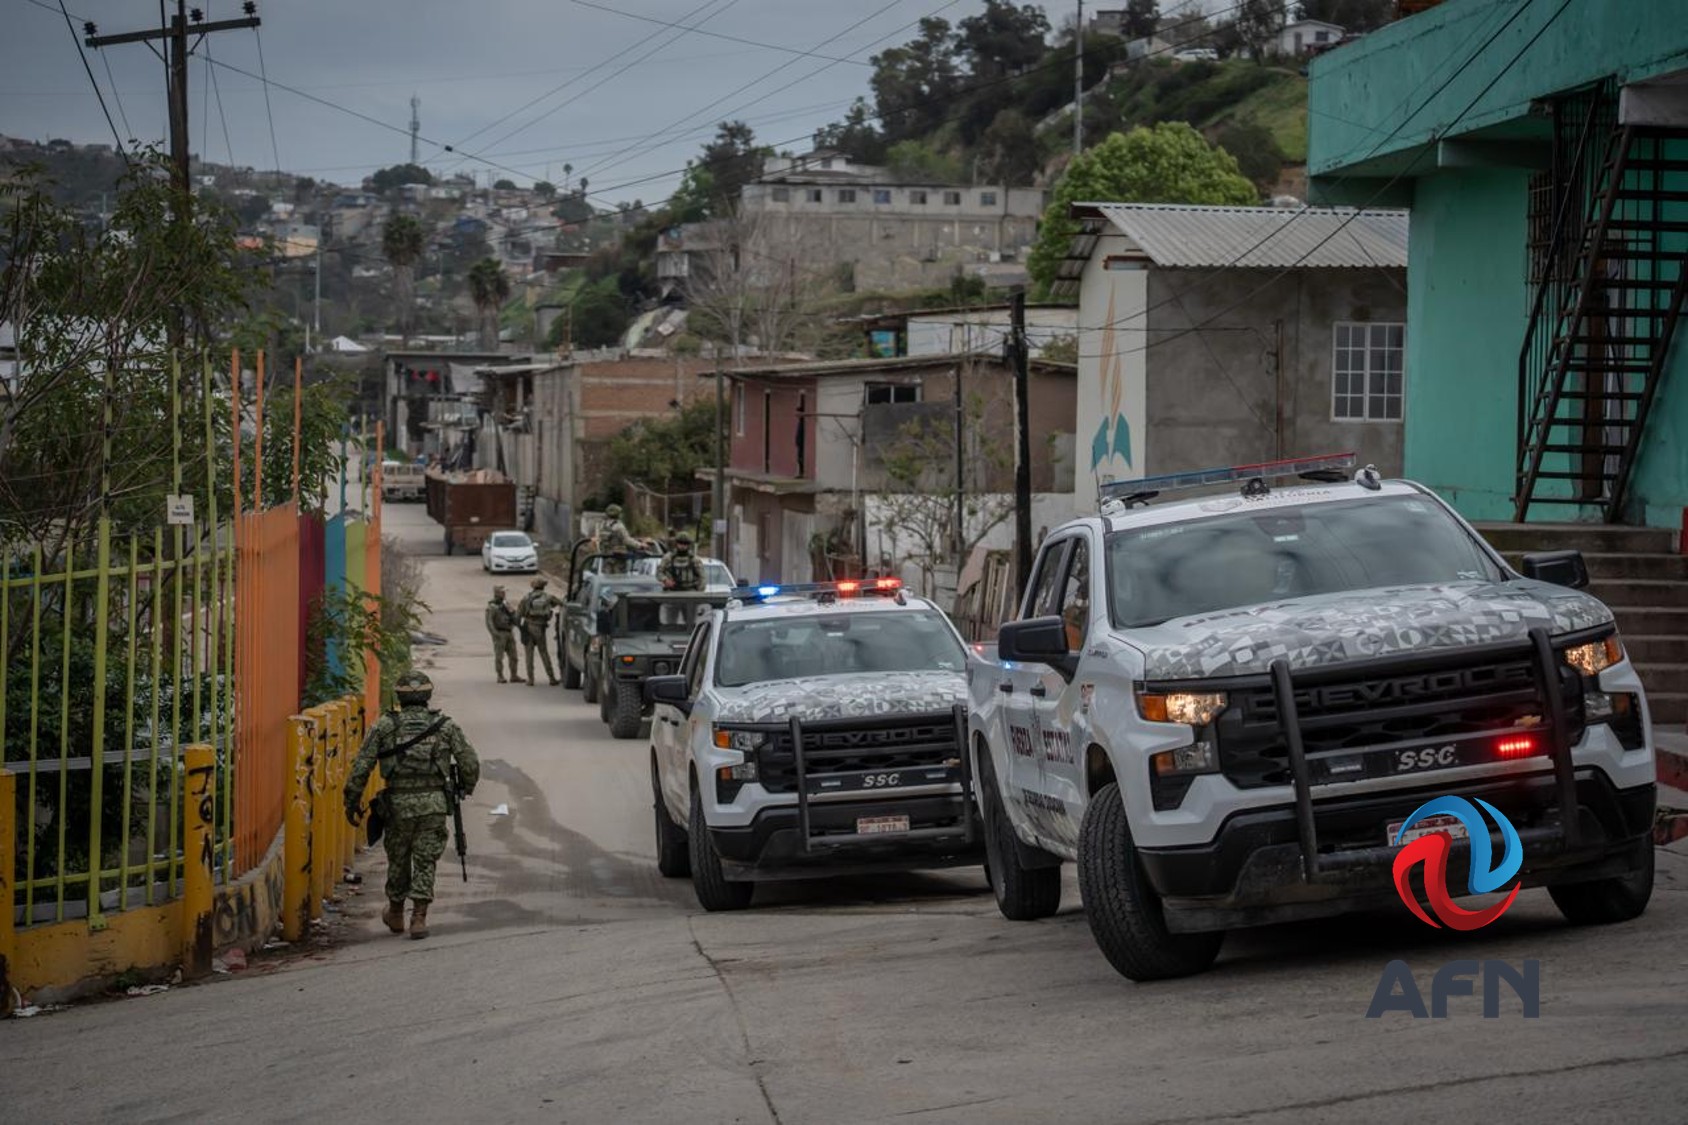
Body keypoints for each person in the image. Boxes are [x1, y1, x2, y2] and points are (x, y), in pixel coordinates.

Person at [343, 670, 479, 940]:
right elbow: (470, 764)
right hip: (434, 805)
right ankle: (419, 917)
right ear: (427, 695)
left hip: (398, 805)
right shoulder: (445, 725)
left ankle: (395, 911)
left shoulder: (385, 725)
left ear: (399, 696)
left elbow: (362, 766)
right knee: (426, 859)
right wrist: (466, 786)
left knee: (399, 858)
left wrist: (351, 800)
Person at [517, 576, 561, 685]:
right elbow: (560, 603)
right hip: (540, 628)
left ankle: (531, 679)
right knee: (544, 653)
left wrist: (521, 629)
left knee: (529, 655)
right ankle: (551, 678)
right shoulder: (548, 597)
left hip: (528, 626)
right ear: (543, 586)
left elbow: (519, 615)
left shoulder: (526, 598)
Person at [485, 585, 519, 684]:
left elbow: (514, 615)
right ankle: (500, 676)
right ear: (497, 593)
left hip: (509, 632)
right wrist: (495, 634)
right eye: (502, 592)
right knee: (499, 657)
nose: (504, 594)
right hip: (499, 633)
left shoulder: (506, 604)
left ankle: (514, 675)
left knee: (514, 656)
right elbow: (489, 622)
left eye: (505, 592)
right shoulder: (492, 607)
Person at [599, 503, 634, 574]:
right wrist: (641, 545)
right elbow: (627, 540)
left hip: (606, 557)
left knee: (607, 579)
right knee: (618, 580)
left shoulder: (603, 525)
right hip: (618, 558)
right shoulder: (619, 526)